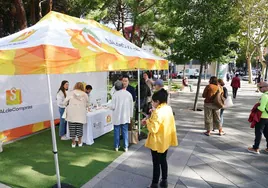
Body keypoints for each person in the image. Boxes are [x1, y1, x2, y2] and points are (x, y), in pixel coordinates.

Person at [142, 89, 178, 188]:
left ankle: (154, 183)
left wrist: (147, 121)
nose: (152, 103)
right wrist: (153, 113)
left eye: (153, 101)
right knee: (163, 160)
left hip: (157, 141)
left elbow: (153, 128)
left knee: (156, 163)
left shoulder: (158, 112)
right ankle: (164, 180)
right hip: (165, 139)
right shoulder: (168, 108)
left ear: (157, 101)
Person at [63, 82, 89, 148]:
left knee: (72, 128)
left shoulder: (70, 93)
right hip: (80, 113)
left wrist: (68, 104)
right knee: (79, 128)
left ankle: (73, 143)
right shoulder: (85, 94)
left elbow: (64, 102)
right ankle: (80, 142)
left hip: (71, 113)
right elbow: (87, 104)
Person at [111, 80, 133, 152]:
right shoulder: (128, 94)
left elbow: (113, 107)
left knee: (116, 131)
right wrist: (131, 115)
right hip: (125, 116)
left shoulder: (115, 95)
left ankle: (116, 146)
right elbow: (131, 106)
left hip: (117, 115)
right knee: (125, 131)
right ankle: (126, 146)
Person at [248, 82, 268, 154]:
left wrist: (257, 107)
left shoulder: (264, 96)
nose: (259, 89)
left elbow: (262, 108)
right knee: (267, 132)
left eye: (260, 87)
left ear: (265, 87)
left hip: (262, 117)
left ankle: (256, 148)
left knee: (258, 133)